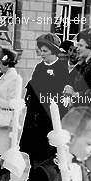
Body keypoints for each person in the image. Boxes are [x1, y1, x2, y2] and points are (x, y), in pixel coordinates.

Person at [19, 33, 69, 168]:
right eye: (40, 50)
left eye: (45, 51)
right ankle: (32, 176)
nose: (41, 54)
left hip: (48, 118)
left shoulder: (62, 69)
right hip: (34, 116)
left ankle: (43, 180)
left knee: (46, 152)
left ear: (54, 51)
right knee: (33, 150)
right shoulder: (39, 67)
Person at [0, 48, 22, 181]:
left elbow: (13, 102)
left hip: (7, 121)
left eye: (0, 63)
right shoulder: (3, 76)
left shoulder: (15, 78)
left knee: (5, 153)